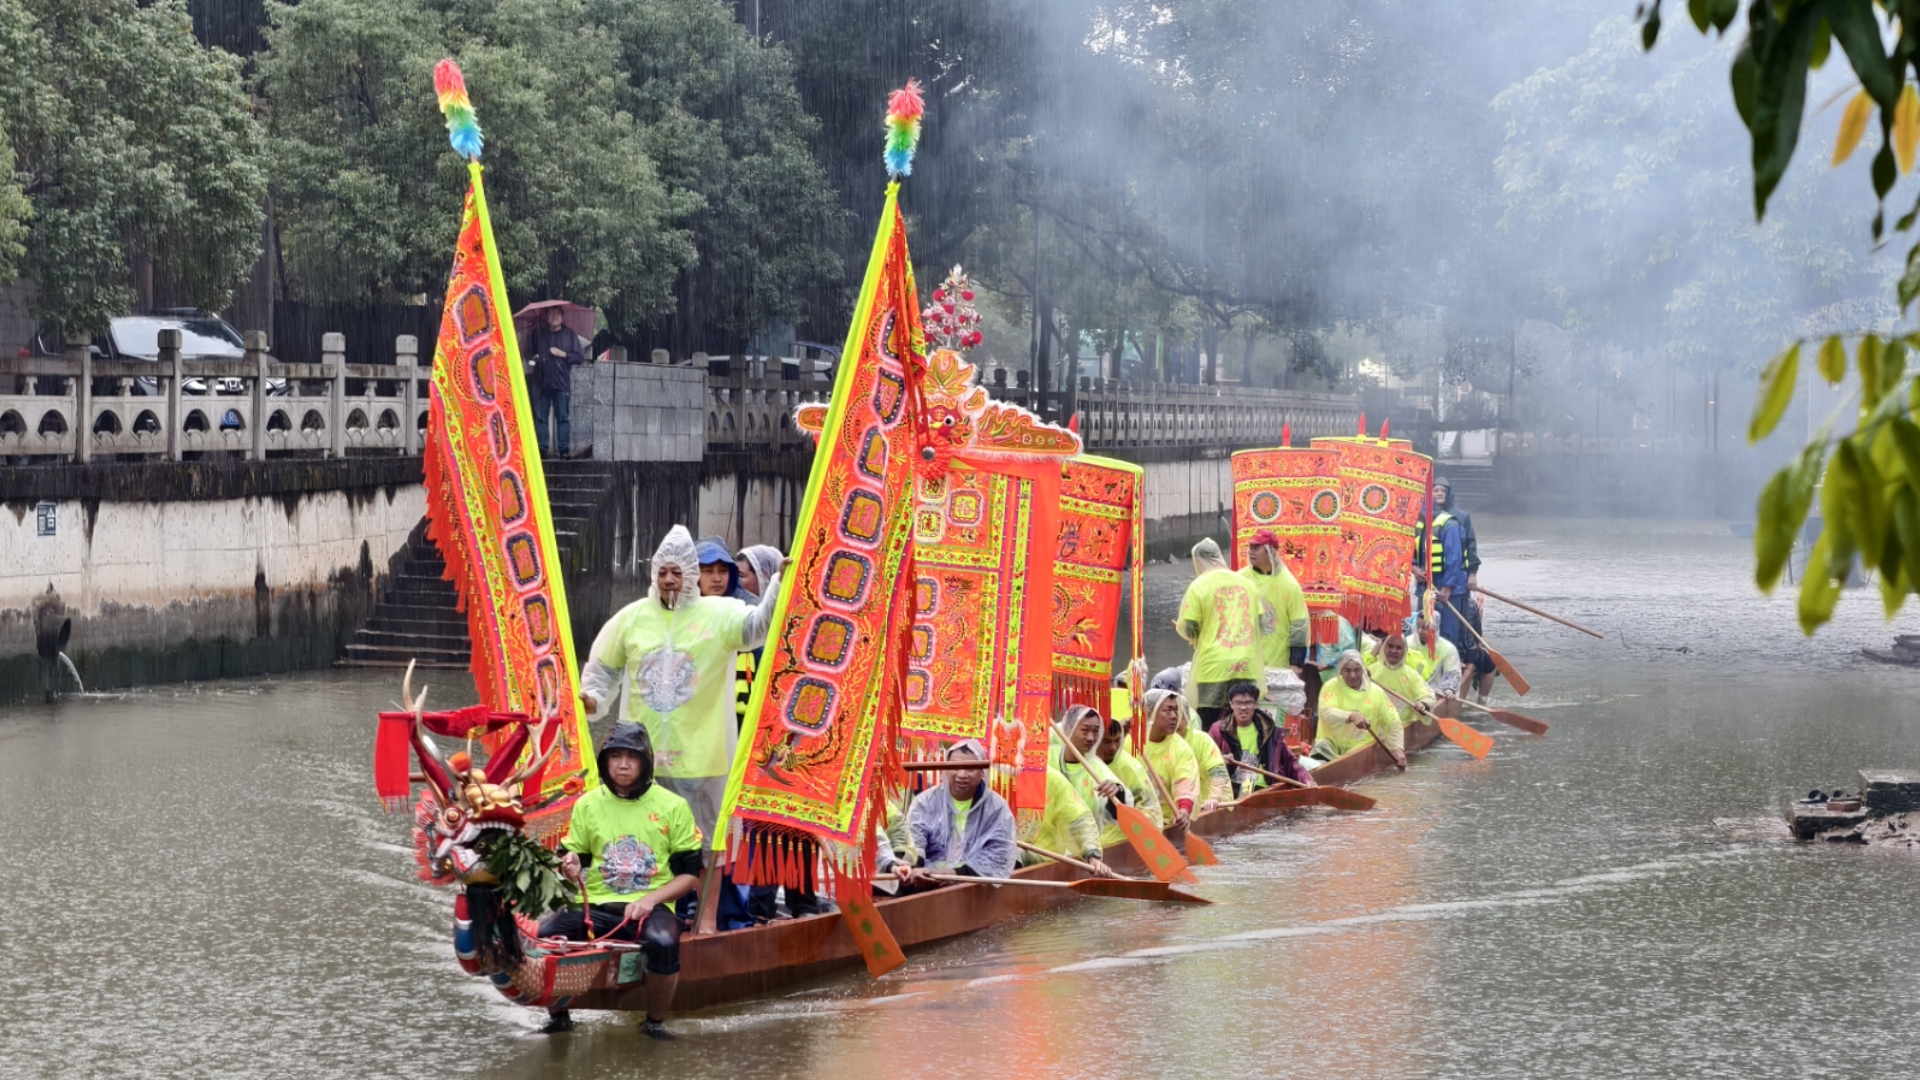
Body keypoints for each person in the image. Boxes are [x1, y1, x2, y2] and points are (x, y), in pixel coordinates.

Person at [580, 526, 781, 843]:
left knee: (705, 851)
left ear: (690, 574)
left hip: (704, 761)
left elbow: (760, 627)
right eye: (662, 572)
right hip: (641, 761)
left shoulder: (720, 614)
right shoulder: (631, 618)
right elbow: (603, 669)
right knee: (643, 846)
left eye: (677, 572)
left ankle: (703, 895)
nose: (669, 580)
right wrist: (592, 698)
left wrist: (780, 585)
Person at [539, 723, 701, 1040]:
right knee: (546, 936)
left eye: (631, 757)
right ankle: (559, 1018)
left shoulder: (674, 806)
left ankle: (654, 1022)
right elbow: (574, 854)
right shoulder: (587, 803)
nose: (623, 764)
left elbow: (689, 875)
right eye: (615, 756)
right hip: (596, 905)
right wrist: (569, 863)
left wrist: (650, 900)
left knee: (665, 944)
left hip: (651, 909)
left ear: (646, 762)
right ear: (605, 762)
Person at [878, 740, 1018, 892]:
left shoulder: (997, 808)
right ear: (945, 769)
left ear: (982, 772)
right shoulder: (925, 802)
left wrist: (957, 873)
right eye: (955, 767)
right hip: (928, 877)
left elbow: (999, 854)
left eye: (970, 769)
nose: (962, 775)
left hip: (972, 880)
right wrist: (917, 870)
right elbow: (914, 843)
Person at [1175, 537, 1268, 727]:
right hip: (1246, 663)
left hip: (1213, 666)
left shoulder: (1199, 586)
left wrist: (1195, 637)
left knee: (1211, 721)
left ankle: (1215, 755)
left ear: (1199, 561)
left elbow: (1188, 626)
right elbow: (1261, 624)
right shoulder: (1247, 584)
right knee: (1243, 720)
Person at [1207, 680, 1314, 796]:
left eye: (1248, 702)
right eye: (1238, 703)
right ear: (1231, 704)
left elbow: (1290, 762)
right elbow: (1205, 760)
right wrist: (1220, 760)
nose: (1243, 707)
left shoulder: (1271, 730)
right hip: (1233, 789)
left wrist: (1307, 780)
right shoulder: (1217, 730)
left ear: (1256, 704)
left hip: (1267, 789)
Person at [1055, 704, 1137, 850]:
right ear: (1068, 729)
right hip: (1046, 851)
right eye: (1085, 731)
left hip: (1086, 851)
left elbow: (1119, 813)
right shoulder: (1047, 758)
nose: (1091, 738)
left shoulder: (1097, 768)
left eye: (1095, 731)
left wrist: (1116, 791)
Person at [1312, 651, 1405, 770]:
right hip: (1332, 744)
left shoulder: (1376, 692)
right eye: (1347, 670)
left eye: (1357, 670)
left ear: (1363, 670)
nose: (1352, 675)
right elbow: (1326, 712)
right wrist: (1350, 716)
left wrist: (1397, 749)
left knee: (1354, 758)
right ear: (1340, 671)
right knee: (1320, 746)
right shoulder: (1330, 686)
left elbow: (1392, 722)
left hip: (1360, 747)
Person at [1240, 529, 1309, 672]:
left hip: (1276, 662)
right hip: (1243, 660)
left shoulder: (1289, 584)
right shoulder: (1241, 578)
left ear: (1270, 551)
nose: (1251, 551)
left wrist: (1296, 663)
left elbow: (1299, 625)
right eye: (1250, 547)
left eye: (1256, 547)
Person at [523, 305, 585, 458]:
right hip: (541, 381)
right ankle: (541, 449)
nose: (555, 317)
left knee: (563, 417)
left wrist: (563, 354)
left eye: (558, 314)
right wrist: (533, 358)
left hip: (561, 382)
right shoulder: (538, 333)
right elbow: (527, 352)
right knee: (540, 417)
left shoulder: (569, 335)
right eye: (551, 314)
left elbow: (579, 358)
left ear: (562, 317)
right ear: (546, 316)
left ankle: (563, 449)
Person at [1138, 688, 1201, 831]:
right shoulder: (1131, 740)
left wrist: (1184, 809)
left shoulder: (1180, 748)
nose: (1174, 716)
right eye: (1168, 711)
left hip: (1166, 820)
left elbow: (1186, 780)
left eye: (1176, 710)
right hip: (1133, 819)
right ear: (1150, 713)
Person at [1095, 718, 1163, 830]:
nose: (1113, 747)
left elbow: (1149, 808)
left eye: (1117, 740)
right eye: (1106, 741)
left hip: (1121, 838)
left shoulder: (1131, 767)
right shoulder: (1082, 762)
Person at [1366, 632, 1439, 728]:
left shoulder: (1411, 675)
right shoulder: (1370, 672)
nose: (1393, 651)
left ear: (1405, 651)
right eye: (1390, 646)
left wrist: (1422, 704)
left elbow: (1428, 696)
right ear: (1384, 647)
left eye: (1398, 648)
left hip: (1401, 725)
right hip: (1373, 725)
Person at [1176, 699, 1232, 812]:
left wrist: (1214, 797)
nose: (1174, 723)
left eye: (1179, 718)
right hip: (1174, 808)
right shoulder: (1156, 742)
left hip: (1205, 804)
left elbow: (1217, 771)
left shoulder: (1202, 739)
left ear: (1187, 719)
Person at [1407, 614, 1463, 698]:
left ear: (1435, 629)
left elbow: (1452, 674)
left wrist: (1448, 690)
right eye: (1417, 627)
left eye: (1424, 628)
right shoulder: (1406, 643)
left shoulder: (1448, 648)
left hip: (1435, 692)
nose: (1420, 631)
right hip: (1408, 690)